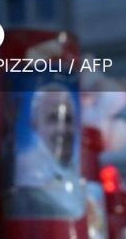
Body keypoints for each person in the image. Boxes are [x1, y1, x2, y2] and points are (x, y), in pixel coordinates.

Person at [6, 84, 85, 218]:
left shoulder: (79, 179)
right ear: (35, 124)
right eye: (53, 119)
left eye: (68, 120)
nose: (63, 129)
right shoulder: (27, 185)